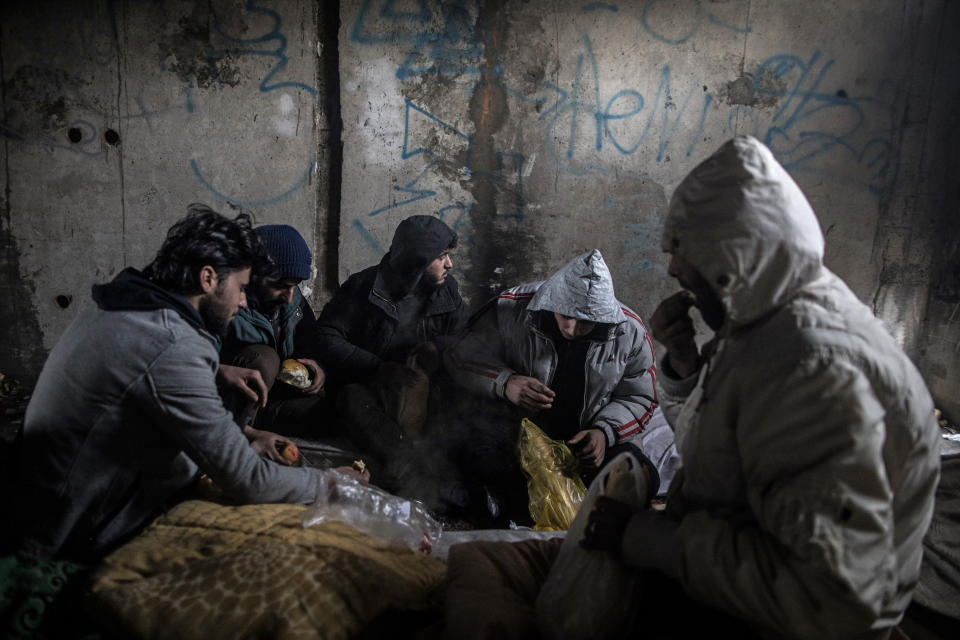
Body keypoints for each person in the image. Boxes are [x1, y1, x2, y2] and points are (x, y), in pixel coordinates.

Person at [581, 136, 941, 639]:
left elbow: (829, 602)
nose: (672, 269)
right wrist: (684, 364)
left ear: (734, 257)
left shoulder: (815, 371)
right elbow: (723, 451)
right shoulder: (765, 323)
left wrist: (649, 539)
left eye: (686, 252)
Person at [8, 204, 366, 562]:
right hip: (70, 532)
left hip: (48, 499)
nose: (243, 301)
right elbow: (248, 479)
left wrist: (248, 435)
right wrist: (330, 481)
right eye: (241, 287)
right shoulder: (173, 343)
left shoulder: (128, 301)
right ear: (208, 278)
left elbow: (151, 389)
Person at [444, 249, 679, 523]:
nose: (572, 328)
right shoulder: (511, 308)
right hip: (515, 434)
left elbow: (640, 397)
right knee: (476, 456)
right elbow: (460, 354)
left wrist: (604, 432)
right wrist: (505, 382)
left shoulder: (629, 331)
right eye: (567, 315)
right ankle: (520, 512)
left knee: (641, 476)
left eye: (586, 321)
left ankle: (554, 512)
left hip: (583, 442)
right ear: (552, 300)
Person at [314, 214, 466, 504]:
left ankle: (461, 480)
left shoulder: (447, 291)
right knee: (351, 398)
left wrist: (438, 351)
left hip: (420, 394)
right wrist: (377, 368)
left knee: (463, 405)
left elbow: (464, 341)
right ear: (418, 260)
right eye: (442, 256)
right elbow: (325, 339)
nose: (450, 264)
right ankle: (416, 481)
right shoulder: (363, 288)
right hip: (371, 392)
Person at [219, 223, 327, 442]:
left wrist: (316, 367)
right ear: (255, 275)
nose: (289, 296)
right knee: (265, 359)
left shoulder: (292, 299)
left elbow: (311, 342)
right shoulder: (226, 303)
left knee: (324, 408)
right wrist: (222, 370)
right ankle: (236, 434)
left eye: (294, 286)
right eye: (280, 285)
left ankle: (255, 425)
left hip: (269, 398)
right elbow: (193, 362)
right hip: (227, 400)